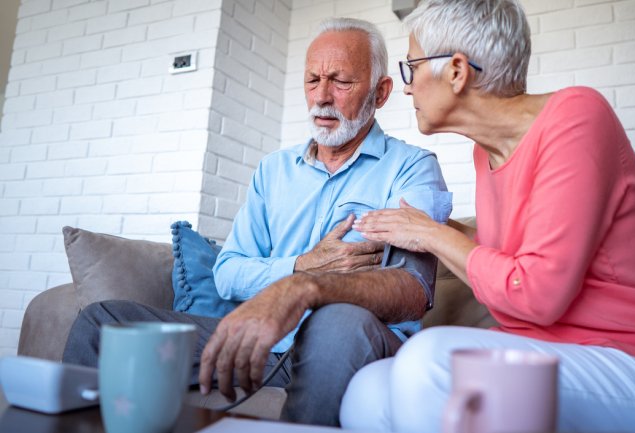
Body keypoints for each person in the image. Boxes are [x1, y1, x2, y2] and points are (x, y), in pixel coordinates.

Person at [339, 1, 635, 433]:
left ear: (457, 71)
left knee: (429, 360)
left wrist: (431, 235)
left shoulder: (577, 116)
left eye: (412, 68)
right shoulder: (485, 153)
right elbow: (509, 259)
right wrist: (428, 227)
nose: (407, 89)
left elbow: (535, 293)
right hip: (545, 353)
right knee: (368, 390)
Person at [62, 17, 451, 427]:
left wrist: (312, 289)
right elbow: (227, 273)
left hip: (354, 341)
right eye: (312, 80)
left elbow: (414, 291)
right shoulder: (273, 171)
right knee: (103, 321)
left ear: (381, 92)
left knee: (340, 320)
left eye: (341, 82)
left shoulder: (412, 168)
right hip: (266, 341)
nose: (321, 97)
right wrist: (299, 267)